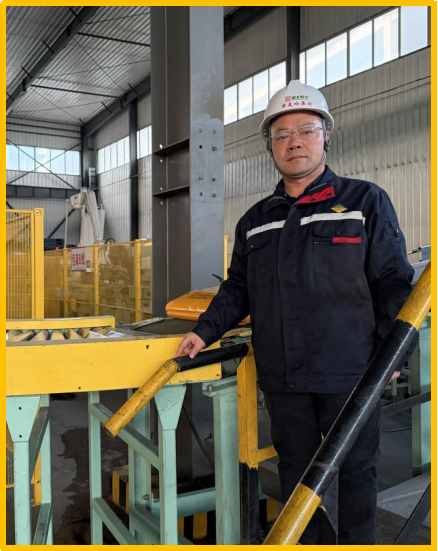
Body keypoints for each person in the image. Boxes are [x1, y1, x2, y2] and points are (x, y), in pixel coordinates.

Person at [176, 80, 414, 544]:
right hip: (283, 376)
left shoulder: (364, 203)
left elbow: (393, 284)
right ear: (270, 146)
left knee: (356, 471)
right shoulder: (255, 220)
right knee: (296, 472)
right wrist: (204, 331)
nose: (294, 142)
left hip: (351, 372)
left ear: (327, 136)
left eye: (306, 130)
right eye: (282, 135)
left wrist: (394, 357)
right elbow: (238, 288)